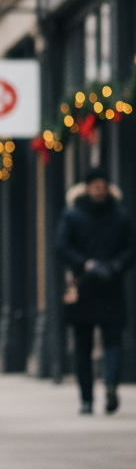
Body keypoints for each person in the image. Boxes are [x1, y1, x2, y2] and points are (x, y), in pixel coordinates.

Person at [56, 166, 134, 415]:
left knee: (112, 341)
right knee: (83, 346)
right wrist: (86, 264)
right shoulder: (72, 215)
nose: (99, 191)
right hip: (84, 287)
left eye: (103, 186)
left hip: (110, 285)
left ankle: (110, 385)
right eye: (95, 186)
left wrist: (117, 265)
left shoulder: (121, 217)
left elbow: (132, 248)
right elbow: (62, 247)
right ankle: (87, 398)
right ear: (87, 188)